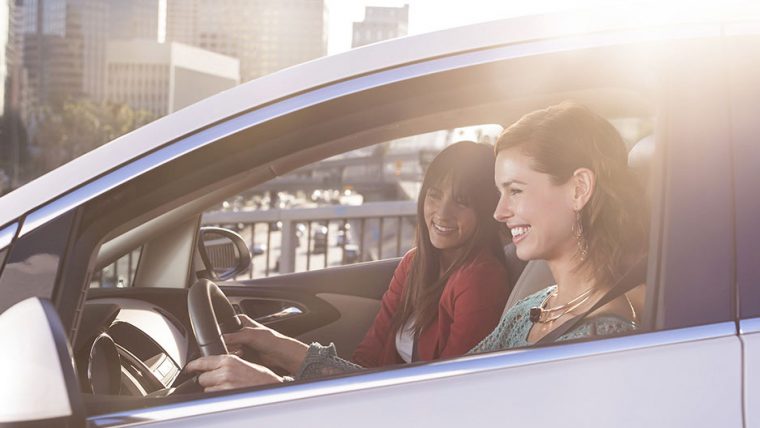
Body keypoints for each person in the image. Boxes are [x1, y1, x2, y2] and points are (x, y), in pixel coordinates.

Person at [184, 102, 648, 390]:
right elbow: (429, 392)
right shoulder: (533, 308)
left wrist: (277, 390)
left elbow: (433, 410)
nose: (499, 213)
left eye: (516, 191)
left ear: (578, 189)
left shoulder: (601, 340)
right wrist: (284, 361)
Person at [185, 140, 512, 390]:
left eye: (462, 201)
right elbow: (364, 365)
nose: (442, 213)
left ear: (485, 208)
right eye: (435, 195)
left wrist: (272, 387)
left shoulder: (481, 279)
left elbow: (444, 396)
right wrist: (270, 342)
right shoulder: (416, 264)